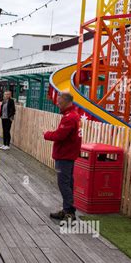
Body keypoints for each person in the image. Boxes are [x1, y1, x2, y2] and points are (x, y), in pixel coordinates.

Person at [43, 93, 82, 221]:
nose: (58, 104)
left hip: (64, 155)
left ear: (66, 101)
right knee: (68, 182)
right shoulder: (74, 115)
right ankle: (67, 209)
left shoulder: (69, 118)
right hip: (69, 154)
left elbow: (60, 135)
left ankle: (69, 212)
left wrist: (47, 134)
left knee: (63, 183)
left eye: (59, 102)